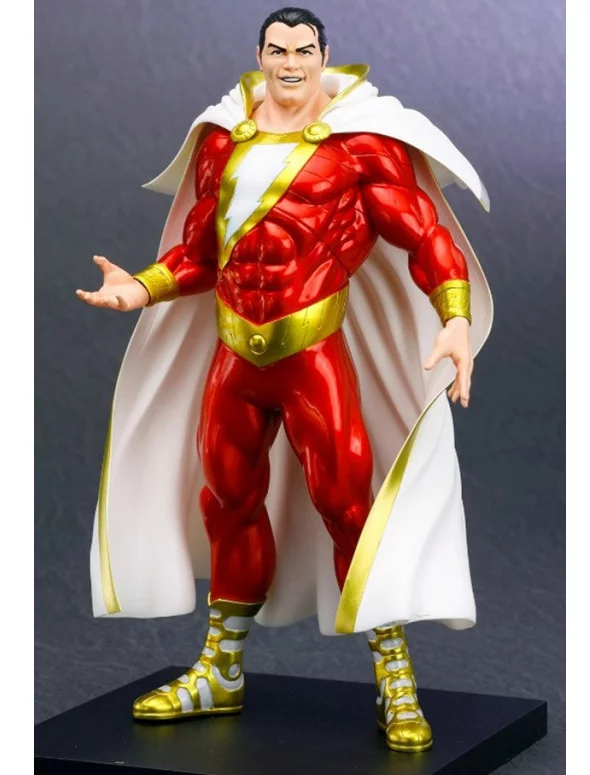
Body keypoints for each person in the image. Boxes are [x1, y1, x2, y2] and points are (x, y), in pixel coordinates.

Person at [77, 7, 493, 753]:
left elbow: (423, 231)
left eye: (304, 50)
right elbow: (201, 252)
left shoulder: (359, 144)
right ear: (260, 54)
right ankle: (222, 669)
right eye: (278, 50)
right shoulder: (224, 140)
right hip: (236, 357)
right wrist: (139, 288)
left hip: (312, 356)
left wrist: (455, 316)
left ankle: (394, 674)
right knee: (226, 501)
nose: (291, 63)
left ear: (324, 56)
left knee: (350, 506)